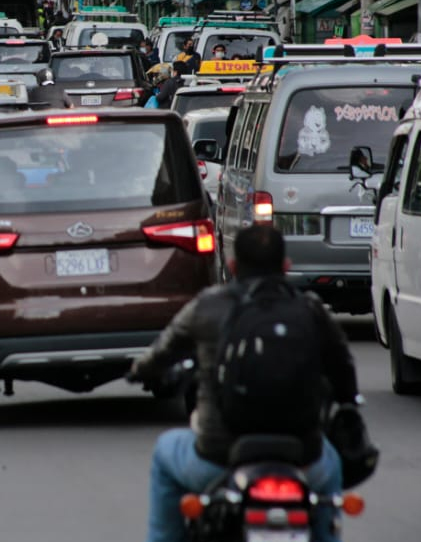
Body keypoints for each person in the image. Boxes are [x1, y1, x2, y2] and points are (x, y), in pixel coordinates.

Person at [127, 226, 359, 542]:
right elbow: (343, 368)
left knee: (165, 453)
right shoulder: (310, 310)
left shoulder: (207, 306)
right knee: (330, 467)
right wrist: (347, 401)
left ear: (233, 267)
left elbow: (162, 351)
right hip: (302, 456)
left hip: (217, 457)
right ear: (285, 266)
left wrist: (140, 371)